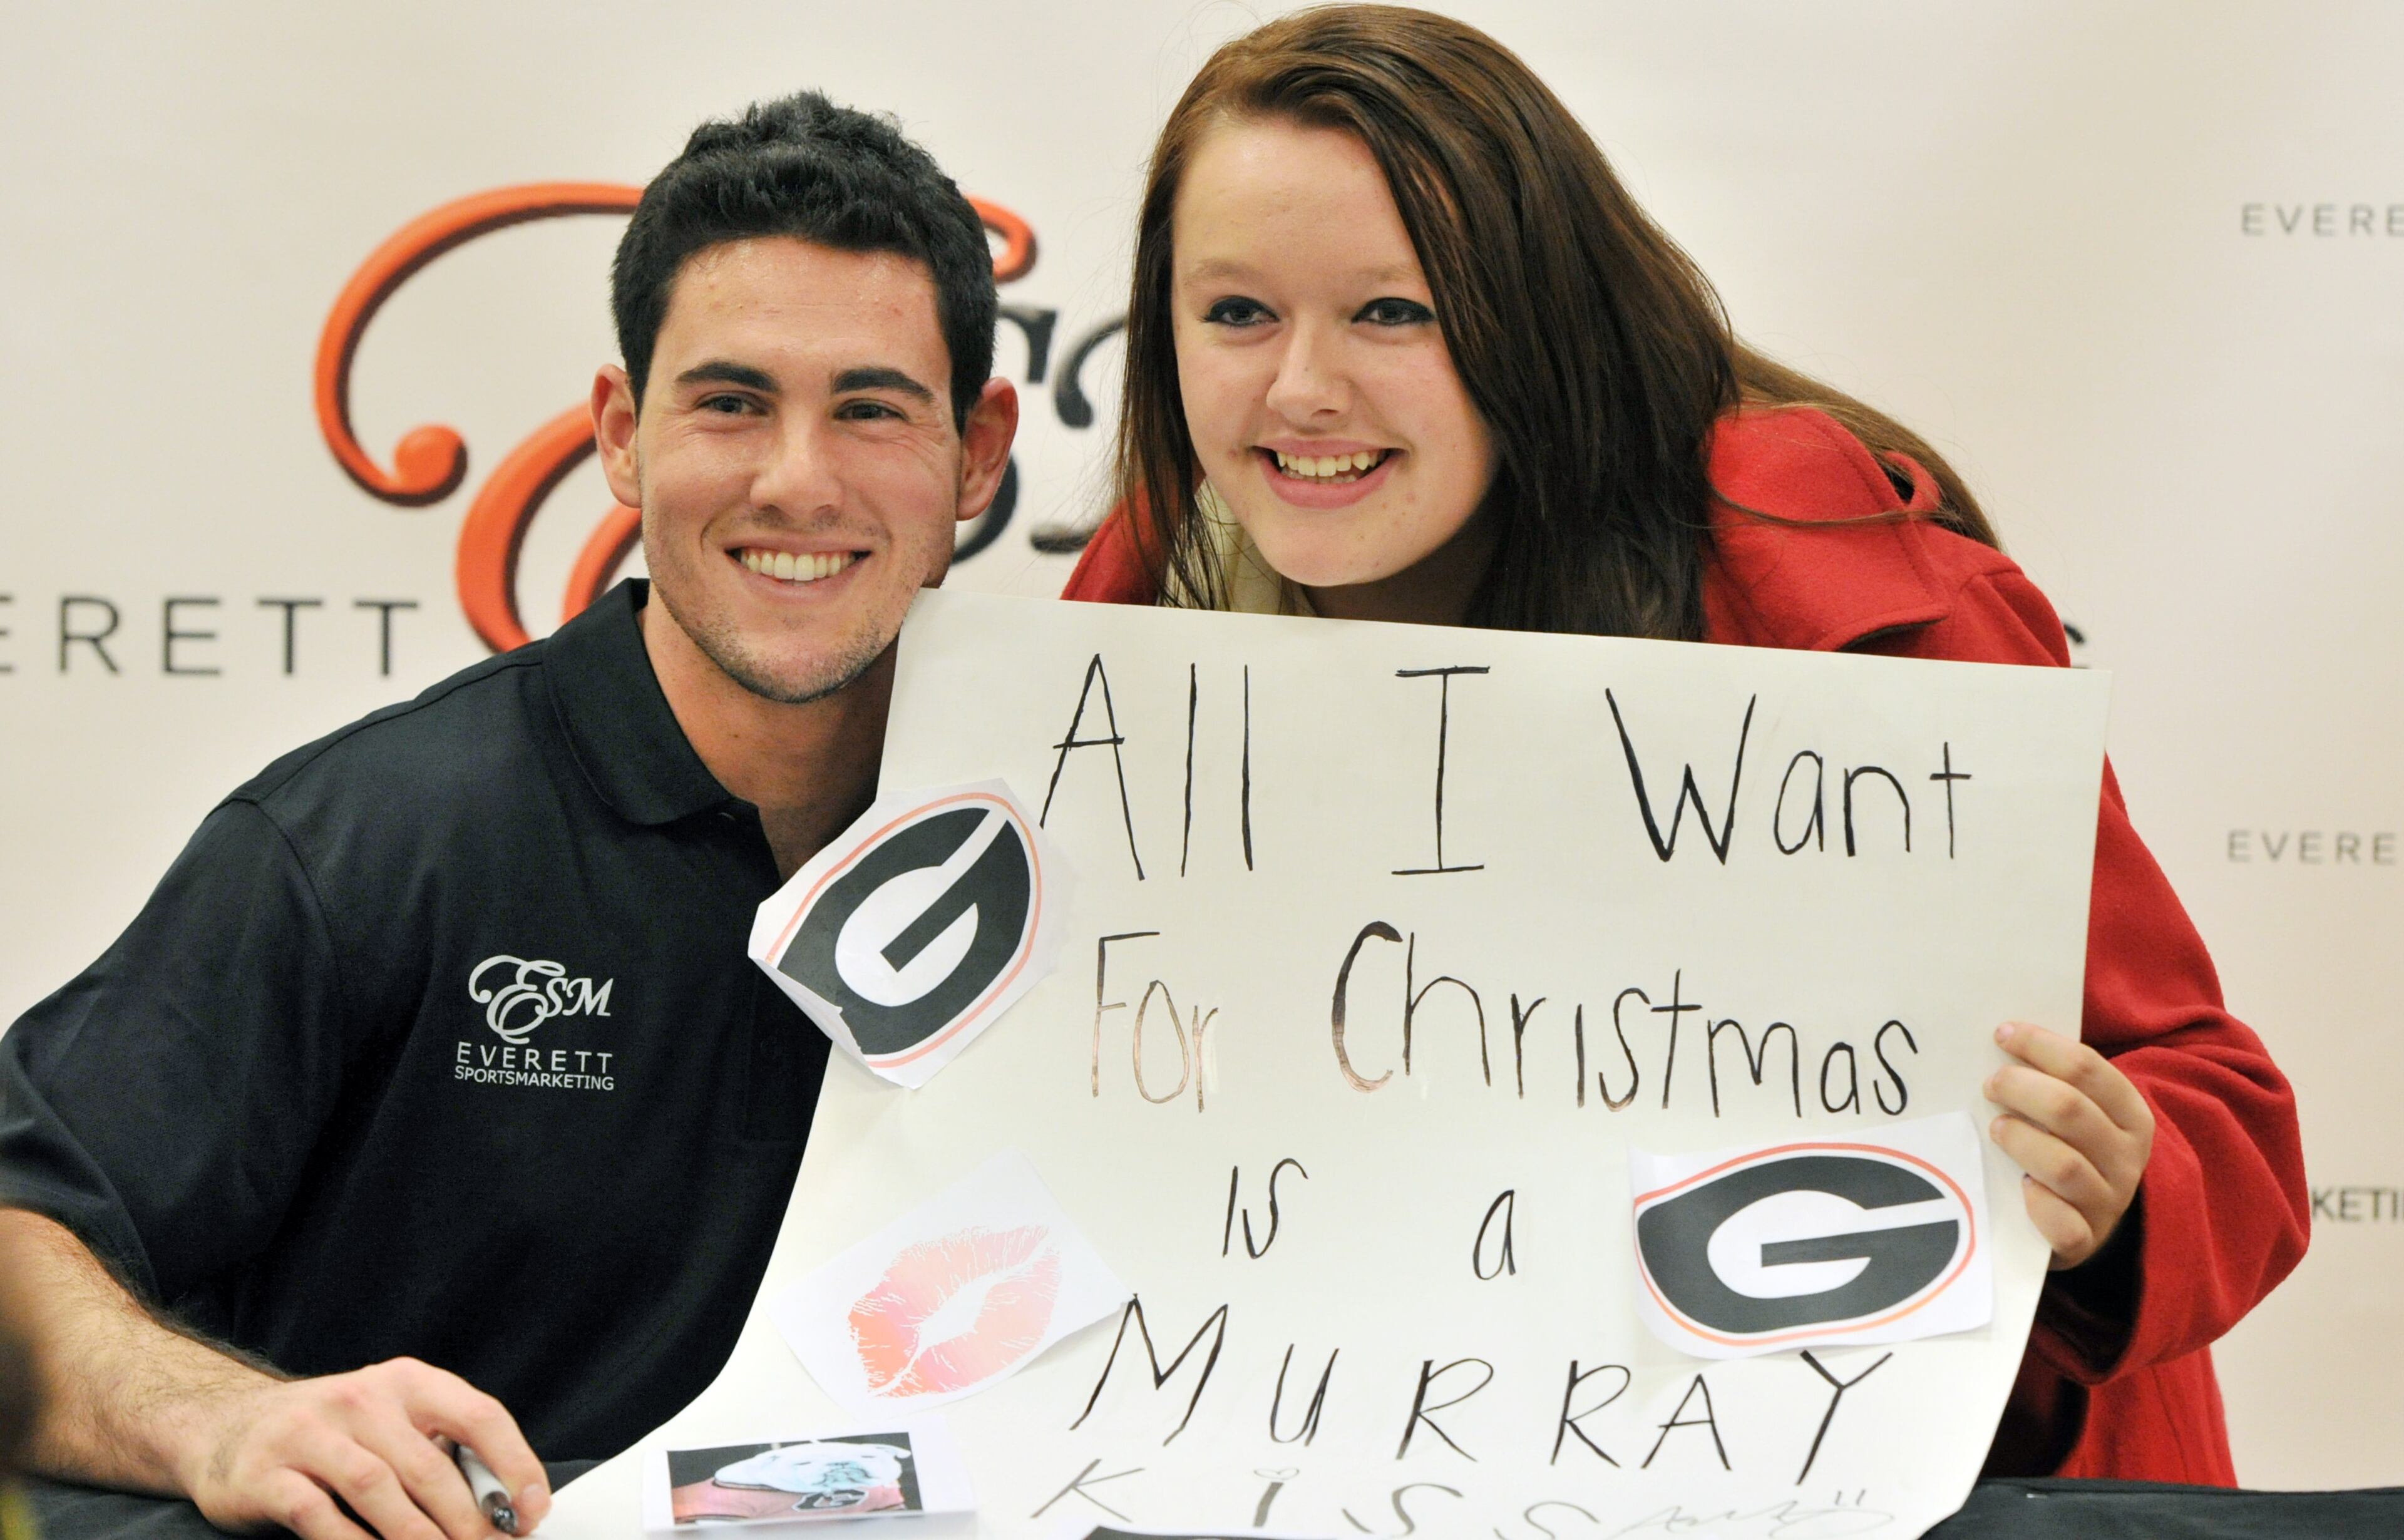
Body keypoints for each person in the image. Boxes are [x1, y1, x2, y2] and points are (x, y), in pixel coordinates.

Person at [1062, 4, 2307, 1484]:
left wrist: (2121, 1186)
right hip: (1408, 1448)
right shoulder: (1164, 579)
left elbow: (2222, 1113)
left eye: (1393, 312)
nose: (1302, 388)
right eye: (1236, 313)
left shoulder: (1818, 573)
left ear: (1531, 317)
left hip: (1921, 1476)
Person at [0, 91, 1015, 1540]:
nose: (799, 480)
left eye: (870, 408)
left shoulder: (1085, 853)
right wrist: (216, 1419)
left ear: (978, 453)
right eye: (730, 402)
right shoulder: (367, 843)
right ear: (619, 433)